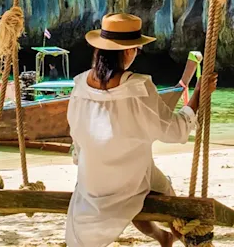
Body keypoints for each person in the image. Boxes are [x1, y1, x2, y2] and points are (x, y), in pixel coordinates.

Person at [65, 13, 216, 247]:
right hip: (130, 180)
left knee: (147, 180)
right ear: (128, 51)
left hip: (92, 182)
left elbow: (76, 134)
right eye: (136, 49)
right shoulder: (138, 87)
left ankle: (161, 236)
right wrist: (199, 94)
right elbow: (174, 131)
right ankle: (175, 234)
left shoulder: (80, 84)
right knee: (159, 190)